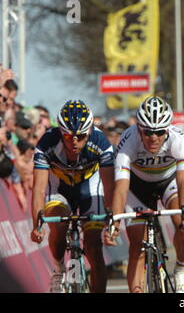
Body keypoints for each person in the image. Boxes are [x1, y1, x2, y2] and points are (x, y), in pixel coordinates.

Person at [104, 96, 184, 293]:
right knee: (137, 244)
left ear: (167, 129)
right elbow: (120, 186)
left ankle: (180, 268)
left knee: (182, 221)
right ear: (139, 129)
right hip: (137, 187)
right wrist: (115, 221)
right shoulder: (127, 142)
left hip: (168, 183)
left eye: (159, 132)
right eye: (148, 132)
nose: (153, 138)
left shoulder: (180, 140)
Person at [30, 100, 115, 293]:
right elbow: (39, 188)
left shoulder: (101, 143)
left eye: (81, 136)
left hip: (90, 188)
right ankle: (59, 269)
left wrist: (112, 220)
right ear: (61, 132)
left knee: (94, 246)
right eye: (68, 136)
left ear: (90, 132)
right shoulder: (46, 144)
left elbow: (109, 187)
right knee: (58, 226)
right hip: (60, 189)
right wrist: (37, 224)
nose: (74, 142)